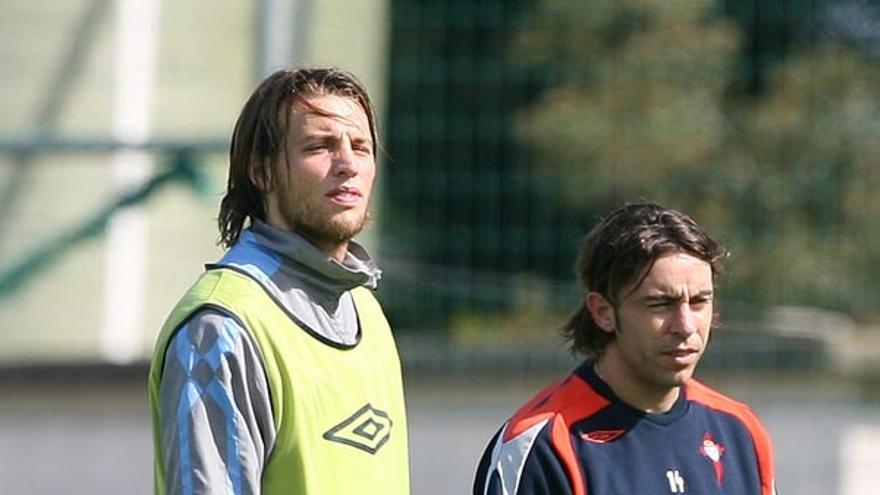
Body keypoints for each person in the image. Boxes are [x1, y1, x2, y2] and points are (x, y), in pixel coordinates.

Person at [148, 67, 409, 495]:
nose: (347, 164)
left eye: (361, 147)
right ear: (262, 172)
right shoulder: (221, 329)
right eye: (319, 146)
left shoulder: (367, 311)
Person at [473, 202, 778, 495]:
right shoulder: (544, 447)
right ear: (603, 312)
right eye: (660, 304)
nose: (685, 325)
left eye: (699, 301)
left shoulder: (741, 433)